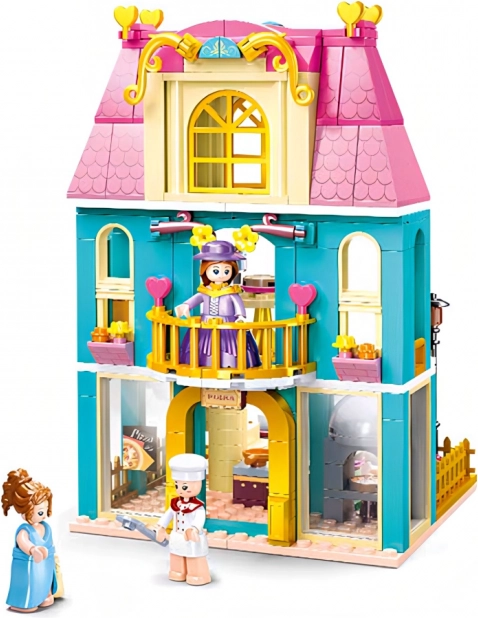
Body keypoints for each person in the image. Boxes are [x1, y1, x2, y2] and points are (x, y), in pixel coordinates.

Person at [176, 240, 261, 368]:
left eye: (226, 271)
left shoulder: (231, 292)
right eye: (216, 271)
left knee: (230, 346)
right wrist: (186, 305)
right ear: (205, 270)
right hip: (207, 324)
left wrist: (240, 316)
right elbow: (196, 299)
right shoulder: (205, 291)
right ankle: (204, 362)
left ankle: (229, 363)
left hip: (227, 325)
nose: (221, 275)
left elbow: (238, 304)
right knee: (204, 346)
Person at [2, 469, 57, 613]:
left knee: (45, 578)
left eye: (46, 509)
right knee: (31, 581)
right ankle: (24, 602)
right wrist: (33, 549)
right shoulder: (25, 530)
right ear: (25, 511)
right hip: (29, 565)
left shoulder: (46, 527)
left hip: (46, 563)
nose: (44, 515)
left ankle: (45, 594)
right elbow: (23, 542)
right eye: (40, 512)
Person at [155, 454, 211, 586]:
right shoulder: (176, 503)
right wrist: (161, 527)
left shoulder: (198, 507)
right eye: (177, 485)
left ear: (197, 484)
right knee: (176, 554)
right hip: (177, 535)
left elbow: (199, 519)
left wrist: (194, 529)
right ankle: (177, 571)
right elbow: (168, 515)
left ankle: (197, 574)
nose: (180, 490)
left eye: (184, 486)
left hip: (191, 536)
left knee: (194, 556)